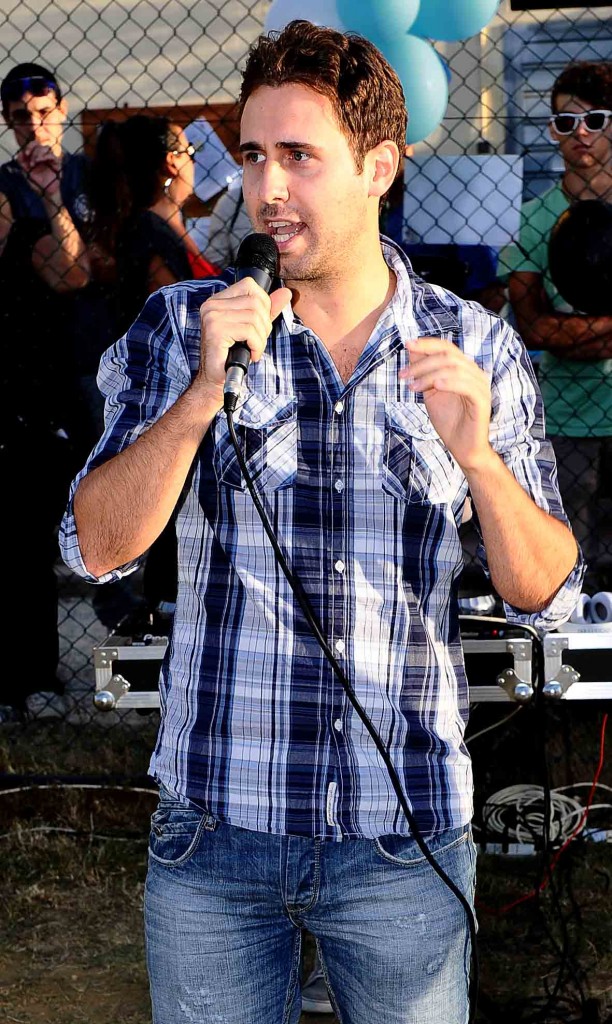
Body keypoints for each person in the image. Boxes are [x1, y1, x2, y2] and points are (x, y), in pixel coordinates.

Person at [60, 20, 583, 1024]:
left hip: (402, 836)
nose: (267, 187)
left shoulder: (471, 345)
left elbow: (546, 594)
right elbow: (94, 547)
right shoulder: (184, 329)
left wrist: (479, 459)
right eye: (255, 154)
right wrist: (201, 396)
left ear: (379, 167)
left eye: (299, 156)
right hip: (217, 829)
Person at [88, 114, 219, 623]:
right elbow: (174, 326)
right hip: (173, 403)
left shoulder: (164, 228)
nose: (193, 163)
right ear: (171, 163)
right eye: (190, 152)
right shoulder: (150, 231)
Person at [0, 62, 92, 715]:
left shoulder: (90, 176)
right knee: (24, 527)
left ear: (61, 111)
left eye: (42, 114)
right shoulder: (6, 186)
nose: (33, 128)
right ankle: (30, 677)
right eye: (19, 119)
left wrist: (57, 198)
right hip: (28, 376)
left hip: (93, 358)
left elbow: (83, 272)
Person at [501, 61, 612, 593]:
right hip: (564, 416)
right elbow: (533, 328)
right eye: (566, 123)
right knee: (570, 573)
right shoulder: (533, 217)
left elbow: (554, 326)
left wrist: (574, 329)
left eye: (595, 119)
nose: (580, 134)